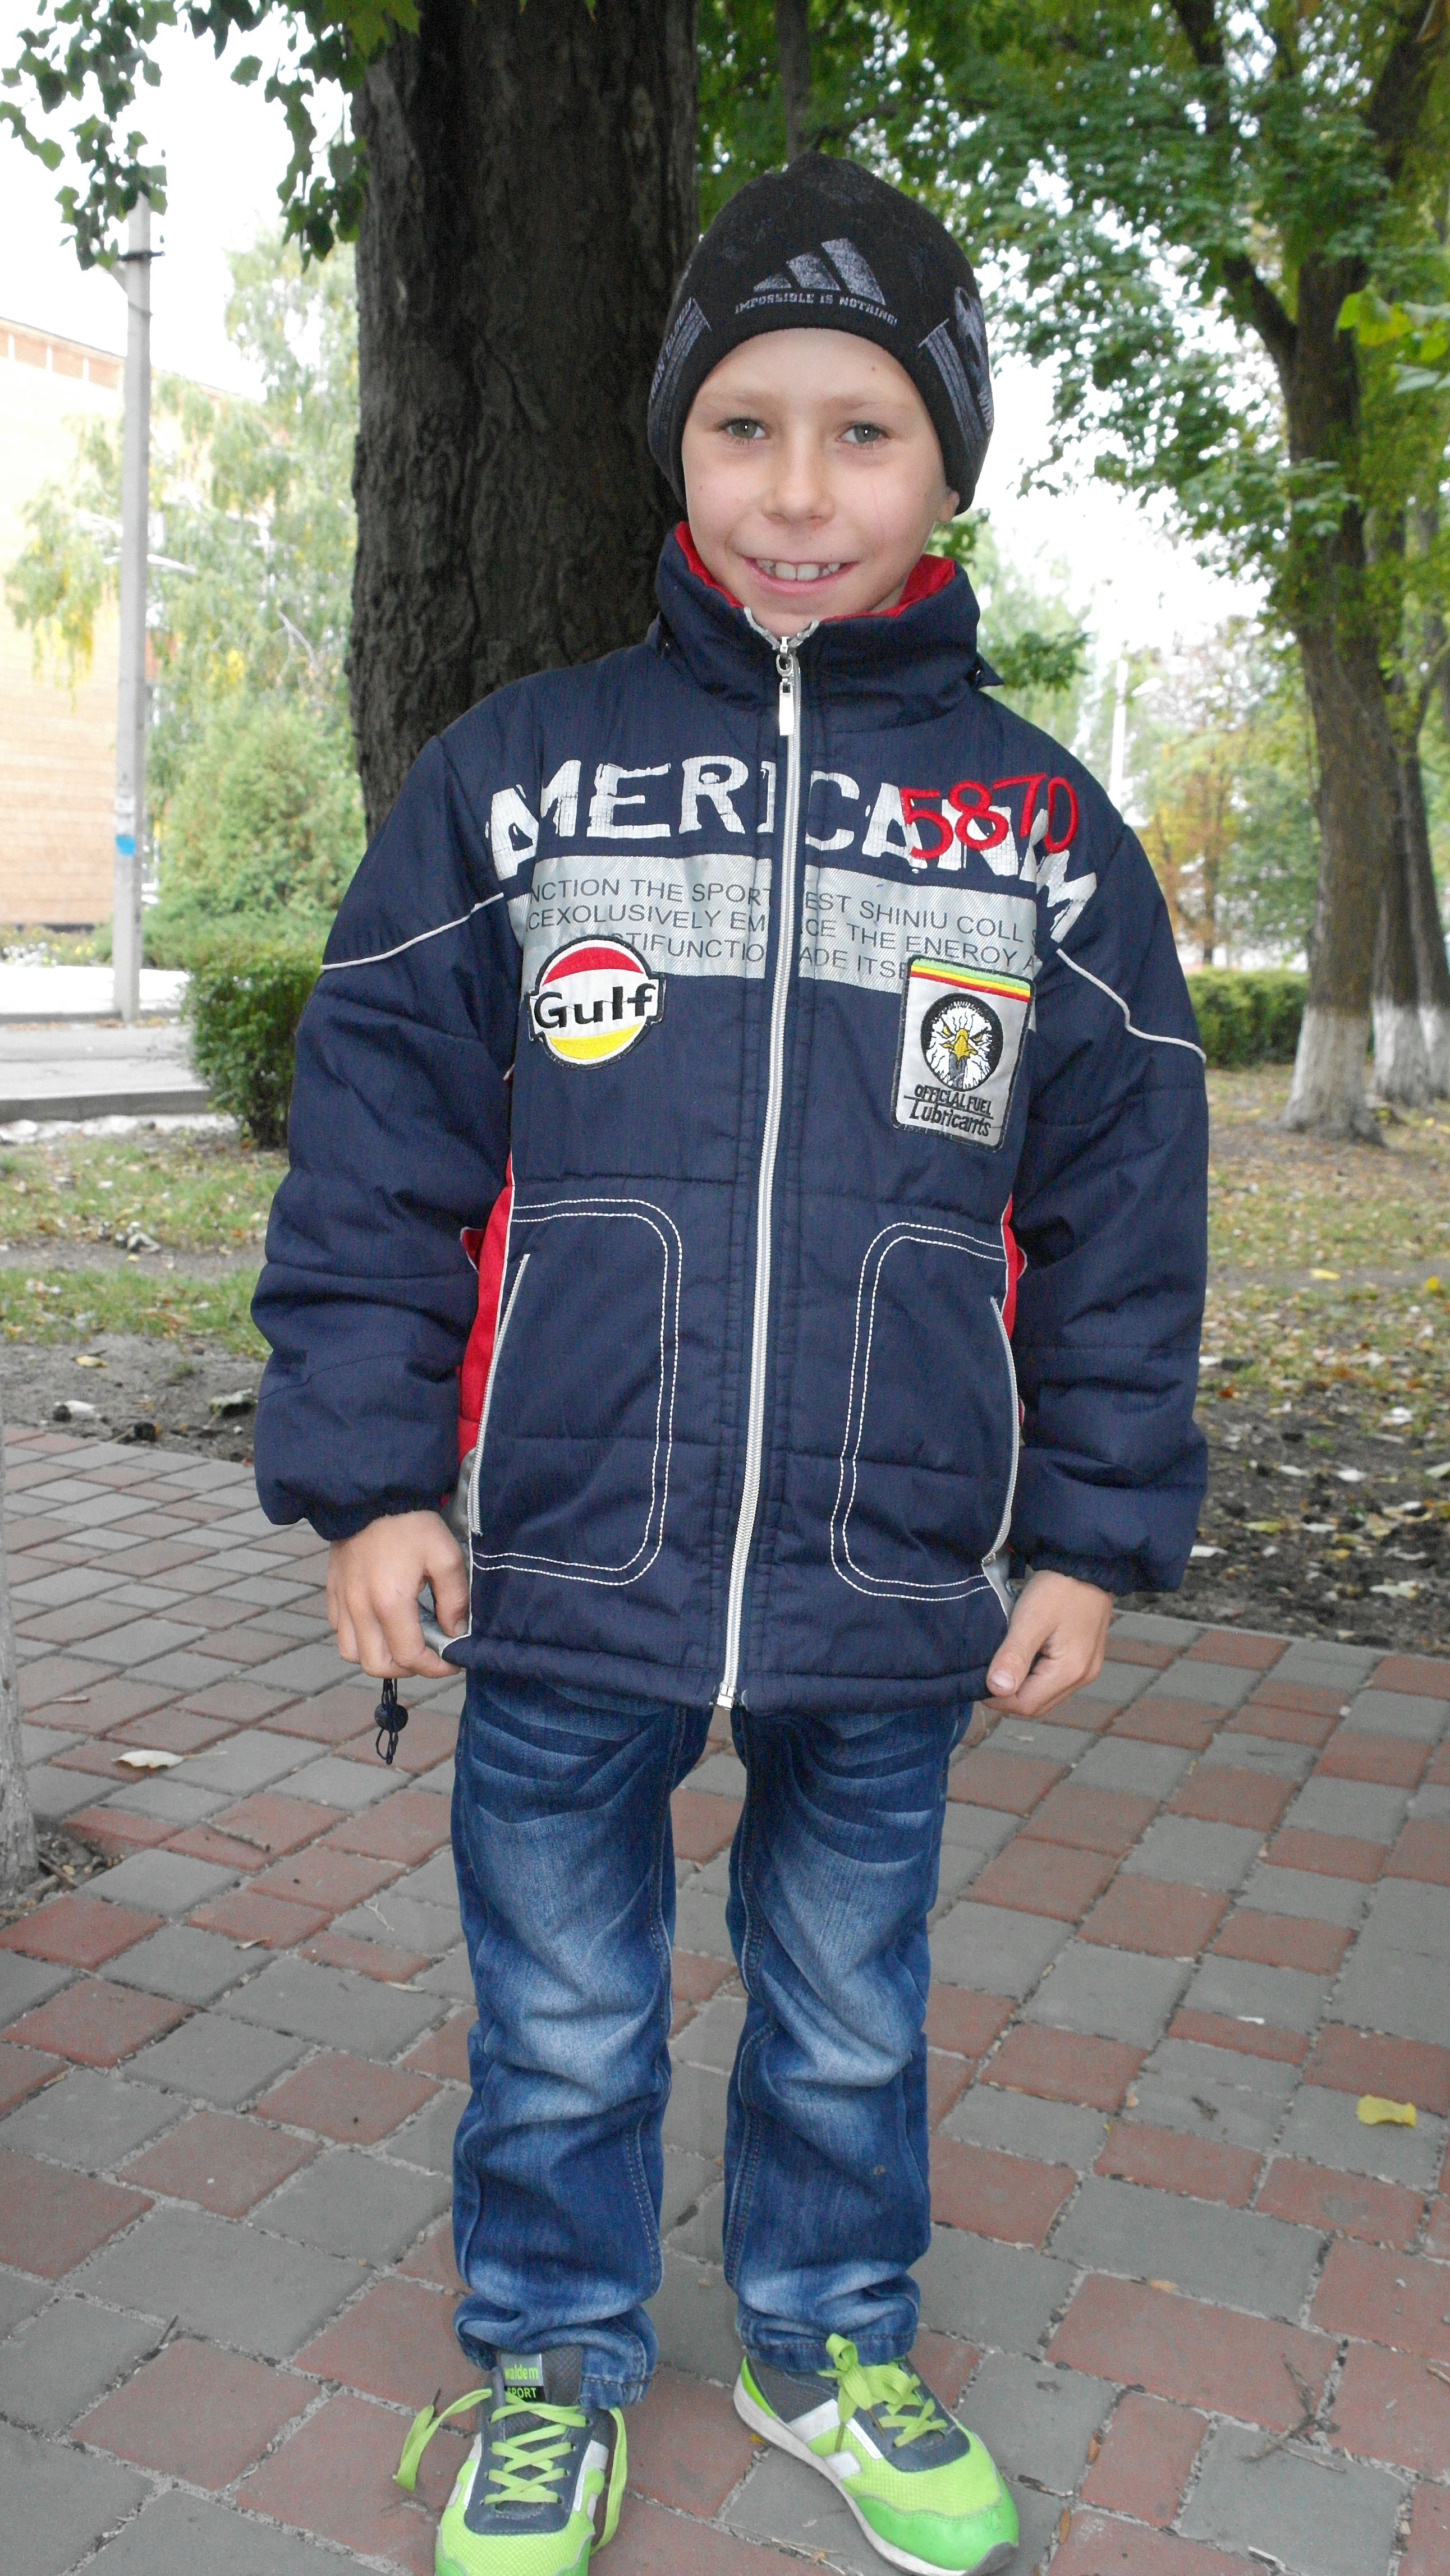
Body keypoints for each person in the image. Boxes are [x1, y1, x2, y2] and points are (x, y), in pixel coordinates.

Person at [254, 153, 1207, 2576]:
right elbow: (375, 1147)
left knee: (850, 2001)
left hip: (889, 1573)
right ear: (673, 446)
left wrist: (1092, 1535)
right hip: (564, 1553)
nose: (796, 491)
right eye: (743, 427)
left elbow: (1123, 1208)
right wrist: (374, 1481)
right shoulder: (519, 774)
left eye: (861, 432)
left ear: (947, 467)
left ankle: (825, 2338)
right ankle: (554, 2360)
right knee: (566, 2003)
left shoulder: (1042, 831)